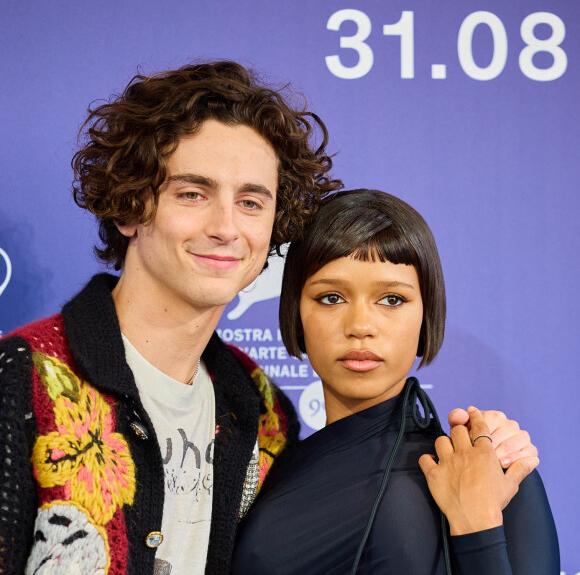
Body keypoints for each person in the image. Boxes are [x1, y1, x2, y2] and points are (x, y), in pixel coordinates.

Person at [0, 63, 536, 575]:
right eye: (193, 193)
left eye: (252, 202)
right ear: (129, 207)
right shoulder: (23, 381)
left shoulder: (262, 414)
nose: (225, 227)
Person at [232, 189, 559, 574]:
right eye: (331, 297)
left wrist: (476, 528)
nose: (360, 327)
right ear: (296, 311)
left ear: (427, 315)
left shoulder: (494, 472)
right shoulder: (260, 470)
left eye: (391, 300)